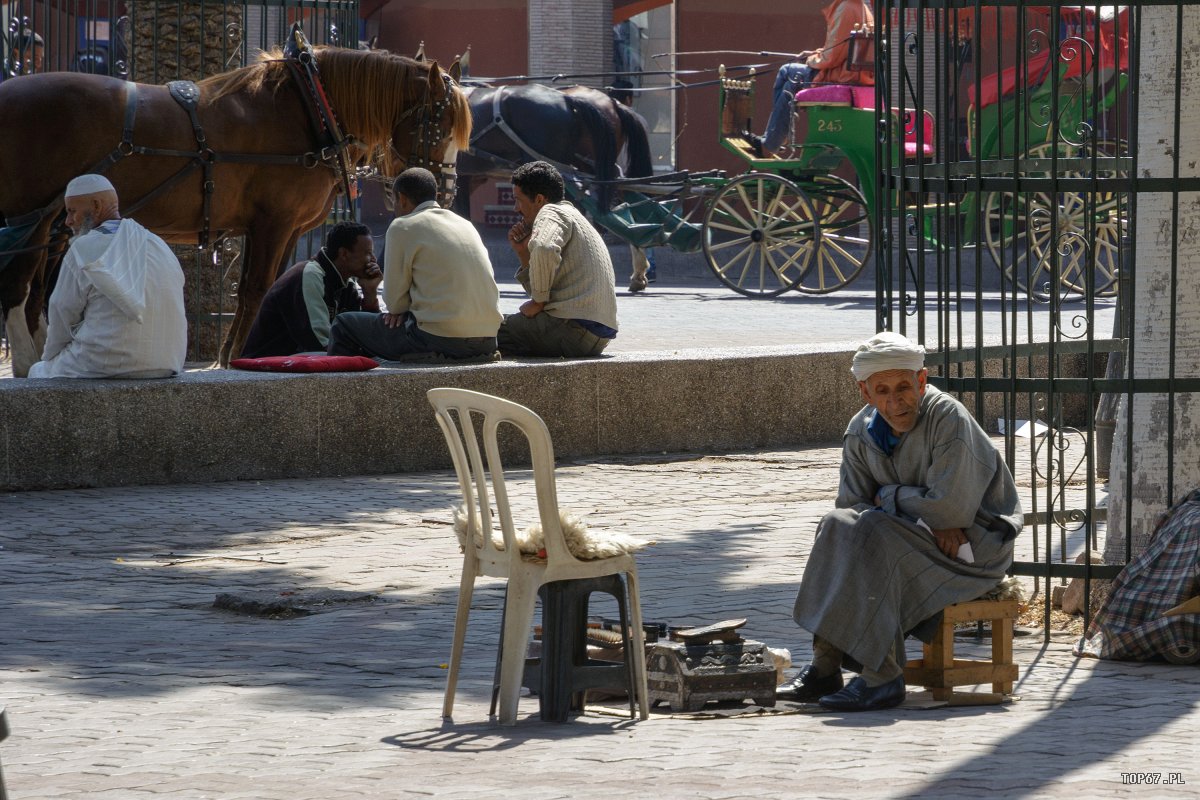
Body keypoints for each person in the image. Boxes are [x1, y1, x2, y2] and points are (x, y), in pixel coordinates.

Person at [778, 331, 1022, 711]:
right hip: (917, 541)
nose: (895, 402)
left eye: (904, 388)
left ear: (921, 381)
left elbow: (949, 511)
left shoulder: (947, 418)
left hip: (971, 552)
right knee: (835, 524)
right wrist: (914, 508)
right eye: (883, 391)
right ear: (866, 393)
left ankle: (883, 677)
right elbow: (852, 506)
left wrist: (890, 495)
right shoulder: (861, 430)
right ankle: (825, 666)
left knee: (871, 530)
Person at [327, 167, 501, 361]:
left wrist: (402, 309)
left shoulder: (402, 226)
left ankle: (339, 388)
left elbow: (394, 303)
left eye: (394, 202)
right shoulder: (465, 225)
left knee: (344, 324)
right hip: (489, 339)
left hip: (439, 338)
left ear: (401, 198)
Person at [28, 174, 187, 379]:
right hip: (167, 363)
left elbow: (62, 311)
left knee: (37, 372)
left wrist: (49, 358)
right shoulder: (158, 243)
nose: (68, 221)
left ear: (95, 205)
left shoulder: (83, 248)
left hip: (104, 363)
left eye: (71, 211)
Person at [497, 161, 619, 357]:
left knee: (482, 332)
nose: (515, 208)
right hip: (596, 337)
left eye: (518, 200)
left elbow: (545, 248)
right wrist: (523, 252)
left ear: (539, 199)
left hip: (570, 330)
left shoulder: (550, 212)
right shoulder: (572, 214)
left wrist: (537, 302)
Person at [746, 0, 874, 156]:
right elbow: (840, 48)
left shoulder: (845, 8)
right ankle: (777, 136)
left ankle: (776, 138)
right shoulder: (861, 7)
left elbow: (832, 57)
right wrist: (815, 53)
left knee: (787, 72)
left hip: (839, 76)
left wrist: (811, 59)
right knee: (789, 85)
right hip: (852, 75)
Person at [240, 222, 381, 358]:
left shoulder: (347, 285)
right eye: (368, 253)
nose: (373, 259)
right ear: (344, 254)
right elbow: (319, 343)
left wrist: (370, 293)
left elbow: (367, 341)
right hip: (264, 369)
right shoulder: (309, 276)